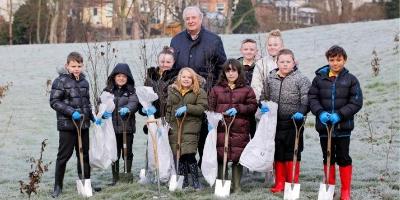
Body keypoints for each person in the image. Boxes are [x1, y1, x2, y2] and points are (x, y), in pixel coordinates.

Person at [170, 6, 227, 167]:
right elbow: (172, 68)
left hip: (206, 95)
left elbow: (221, 68)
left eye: (193, 18)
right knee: (185, 132)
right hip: (182, 95)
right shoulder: (176, 40)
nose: (190, 21)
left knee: (204, 132)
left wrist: (214, 91)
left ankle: (206, 167)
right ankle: (185, 167)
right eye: (187, 18)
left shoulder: (214, 40)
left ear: (201, 19)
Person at [308, 45, 363, 200]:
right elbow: (312, 98)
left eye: (339, 60)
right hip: (325, 128)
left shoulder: (351, 80)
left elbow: (356, 102)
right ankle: (329, 189)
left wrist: (340, 115)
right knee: (328, 157)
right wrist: (320, 112)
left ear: (344, 60)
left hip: (343, 127)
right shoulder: (319, 79)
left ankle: (345, 191)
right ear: (328, 60)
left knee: (343, 157)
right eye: (332, 60)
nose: (335, 63)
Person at [49, 52, 101, 197]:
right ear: (67, 66)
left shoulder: (84, 82)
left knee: (83, 156)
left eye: (79, 66)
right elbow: (54, 102)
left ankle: (86, 183)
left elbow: (87, 103)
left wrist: (92, 117)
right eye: (73, 66)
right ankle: (57, 186)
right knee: (63, 156)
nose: (76, 69)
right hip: (67, 126)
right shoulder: (60, 81)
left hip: (83, 125)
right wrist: (71, 112)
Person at [259, 49, 311, 193]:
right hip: (274, 123)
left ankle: (292, 182)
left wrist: (301, 112)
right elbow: (264, 96)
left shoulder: (301, 79)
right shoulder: (270, 78)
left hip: (294, 123)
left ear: (294, 62)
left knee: (292, 152)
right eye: (282, 61)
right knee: (278, 153)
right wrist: (263, 105)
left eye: (288, 61)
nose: (285, 64)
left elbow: (306, 99)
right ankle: (280, 182)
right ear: (277, 62)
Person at [208, 59, 258, 193]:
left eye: (234, 70)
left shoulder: (247, 89)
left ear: (239, 72)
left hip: (239, 128)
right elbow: (210, 108)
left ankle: (236, 186)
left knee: (238, 157)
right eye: (228, 70)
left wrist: (238, 108)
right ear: (224, 73)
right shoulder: (216, 89)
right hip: (221, 128)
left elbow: (253, 106)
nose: (231, 73)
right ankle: (222, 184)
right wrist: (211, 122)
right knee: (220, 156)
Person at [165, 67, 208, 190]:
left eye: (189, 77)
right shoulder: (173, 91)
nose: (186, 79)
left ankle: (195, 181)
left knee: (189, 155)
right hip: (175, 128)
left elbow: (202, 108)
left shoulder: (199, 92)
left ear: (193, 79)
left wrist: (187, 108)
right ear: (179, 78)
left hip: (190, 128)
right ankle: (183, 181)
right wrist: (167, 124)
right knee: (180, 156)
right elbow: (168, 109)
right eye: (184, 77)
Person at [101, 63, 139, 185]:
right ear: (114, 77)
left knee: (127, 152)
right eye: (118, 76)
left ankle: (127, 174)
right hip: (112, 129)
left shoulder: (131, 92)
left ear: (128, 78)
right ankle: (115, 178)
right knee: (114, 153)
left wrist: (127, 109)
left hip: (126, 128)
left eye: (124, 76)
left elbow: (134, 103)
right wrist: (102, 112)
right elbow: (100, 103)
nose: (121, 78)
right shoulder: (107, 91)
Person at [140, 46, 178, 122]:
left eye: (168, 62)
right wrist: (143, 108)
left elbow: (175, 100)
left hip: (170, 118)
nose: (165, 64)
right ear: (157, 61)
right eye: (162, 62)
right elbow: (144, 95)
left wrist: (158, 109)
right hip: (153, 118)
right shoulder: (150, 77)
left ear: (173, 62)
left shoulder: (176, 78)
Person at [251, 29, 284, 101]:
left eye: (275, 45)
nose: (272, 47)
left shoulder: (288, 62)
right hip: (265, 103)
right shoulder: (260, 64)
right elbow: (255, 86)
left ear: (281, 46)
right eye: (269, 45)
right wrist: (261, 102)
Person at [237, 38, 258, 139]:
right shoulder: (235, 66)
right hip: (239, 105)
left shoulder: (260, 65)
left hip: (256, 105)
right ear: (241, 50)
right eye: (246, 49)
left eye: (252, 49)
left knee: (254, 135)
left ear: (256, 51)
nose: (249, 51)